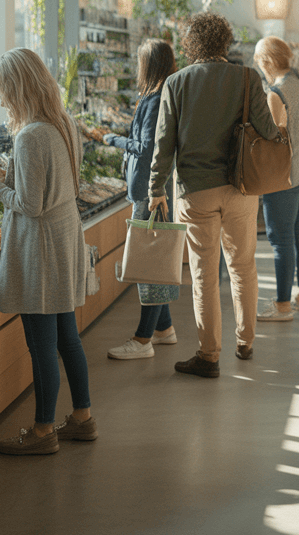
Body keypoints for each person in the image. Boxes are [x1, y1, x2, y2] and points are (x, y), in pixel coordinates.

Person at [0, 48, 94, 455]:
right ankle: (82, 418)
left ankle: (42, 431)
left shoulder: (30, 134)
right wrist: (4, 176)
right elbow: (49, 185)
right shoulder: (62, 122)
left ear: (18, 88)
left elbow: (30, 205)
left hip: (41, 248)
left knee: (40, 344)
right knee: (67, 336)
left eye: (2, 91)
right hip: (64, 235)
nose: (0, 101)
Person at [149, 12, 279, 377]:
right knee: (243, 266)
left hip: (195, 192)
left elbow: (164, 143)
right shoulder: (247, 77)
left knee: (205, 275)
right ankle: (246, 341)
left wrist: (155, 189)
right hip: (241, 187)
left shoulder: (176, 83)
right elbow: (267, 132)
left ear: (191, 44)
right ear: (225, 41)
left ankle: (208, 355)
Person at [96, 39, 180, 359]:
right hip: (158, 189)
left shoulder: (153, 99)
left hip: (150, 192)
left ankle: (143, 340)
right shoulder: (165, 95)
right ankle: (164, 329)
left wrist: (113, 139)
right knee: (154, 258)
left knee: (148, 263)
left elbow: (145, 147)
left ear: (148, 64)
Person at [253, 36, 299, 323]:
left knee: (280, 241)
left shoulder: (276, 93)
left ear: (266, 61)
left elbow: (271, 137)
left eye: (257, 61)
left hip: (281, 175)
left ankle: (281, 306)